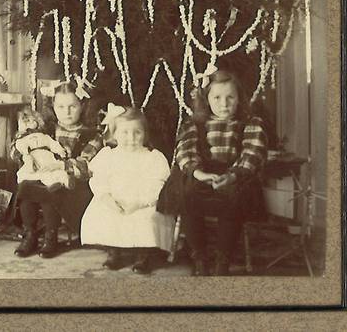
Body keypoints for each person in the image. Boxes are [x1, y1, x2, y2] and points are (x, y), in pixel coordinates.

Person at [174, 69, 267, 276]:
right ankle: (199, 257)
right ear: (206, 99)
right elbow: (186, 151)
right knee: (187, 195)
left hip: (237, 176)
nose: (224, 103)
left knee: (232, 199)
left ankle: (222, 261)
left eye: (230, 97)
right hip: (201, 174)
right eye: (217, 97)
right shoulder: (195, 124)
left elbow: (252, 154)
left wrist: (233, 176)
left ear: (239, 99)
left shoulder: (251, 123)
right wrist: (198, 173)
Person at [11, 80, 104, 259]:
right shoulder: (46, 130)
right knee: (27, 185)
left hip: (73, 184)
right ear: (53, 107)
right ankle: (30, 234)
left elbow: (86, 165)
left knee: (49, 189)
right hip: (41, 176)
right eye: (61, 107)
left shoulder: (91, 134)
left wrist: (61, 165)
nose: (66, 112)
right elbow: (19, 148)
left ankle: (50, 236)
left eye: (72, 106)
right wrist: (22, 148)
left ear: (82, 106)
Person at [80, 108, 175, 274]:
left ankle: (143, 255)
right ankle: (114, 252)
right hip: (114, 199)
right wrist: (106, 198)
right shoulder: (107, 155)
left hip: (143, 201)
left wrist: (140, 202)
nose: (131, 138)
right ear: (114, 134)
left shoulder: (153, 157)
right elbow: (98, 179)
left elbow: (157, 184)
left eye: (137, 132)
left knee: (146, 218)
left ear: (145, 134)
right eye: (124, 132)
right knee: (106, 215)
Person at [11, 109, 72, 191]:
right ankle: (32, 182)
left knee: (51, 169)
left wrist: (60, 151)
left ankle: (63, 181)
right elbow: (20, 146)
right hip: (32, 157)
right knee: (24, 173)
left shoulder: (44, 135)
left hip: (46, 155)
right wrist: (25, 153)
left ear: (37, 122)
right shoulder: (21, 139)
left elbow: (52, 143)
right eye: (24, 122)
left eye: (30, 121)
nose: (27, 124)